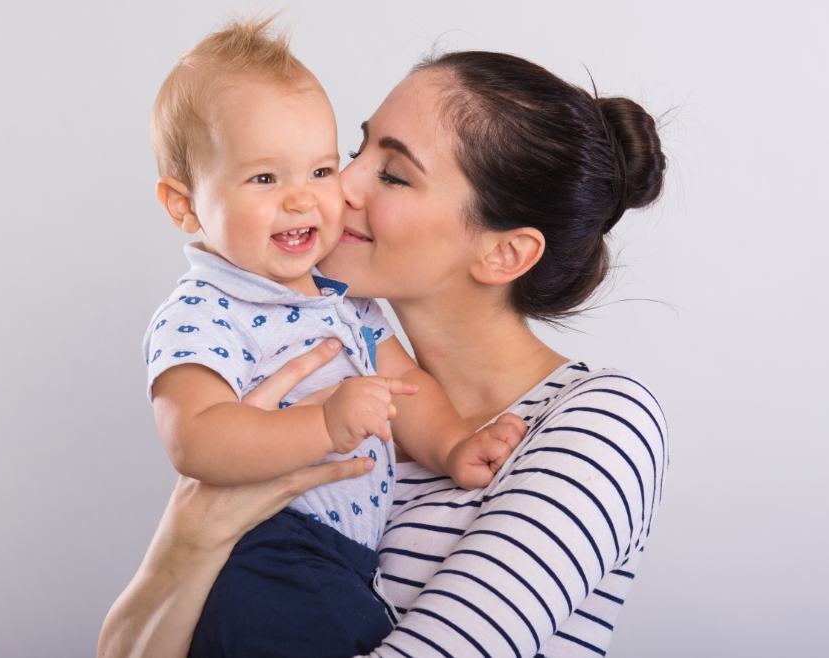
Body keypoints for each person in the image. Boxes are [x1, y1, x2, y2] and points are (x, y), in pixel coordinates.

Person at [99, 44, 669, 658]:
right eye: (353, 152)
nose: (335, 187)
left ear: (503, 253)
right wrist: (191, 537)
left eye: (392, 174)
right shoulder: (309, 388)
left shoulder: (598, 425)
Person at [143, 18, 526, 658]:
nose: (305, 200)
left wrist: (455, 444)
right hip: (268, 550)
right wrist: (323, 426)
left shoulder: (343, 299)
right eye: (264, 179)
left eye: (321, 169)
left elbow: (406, 387)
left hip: (343, 559)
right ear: (183, 205)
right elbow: (195, 438)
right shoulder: (205, 310)